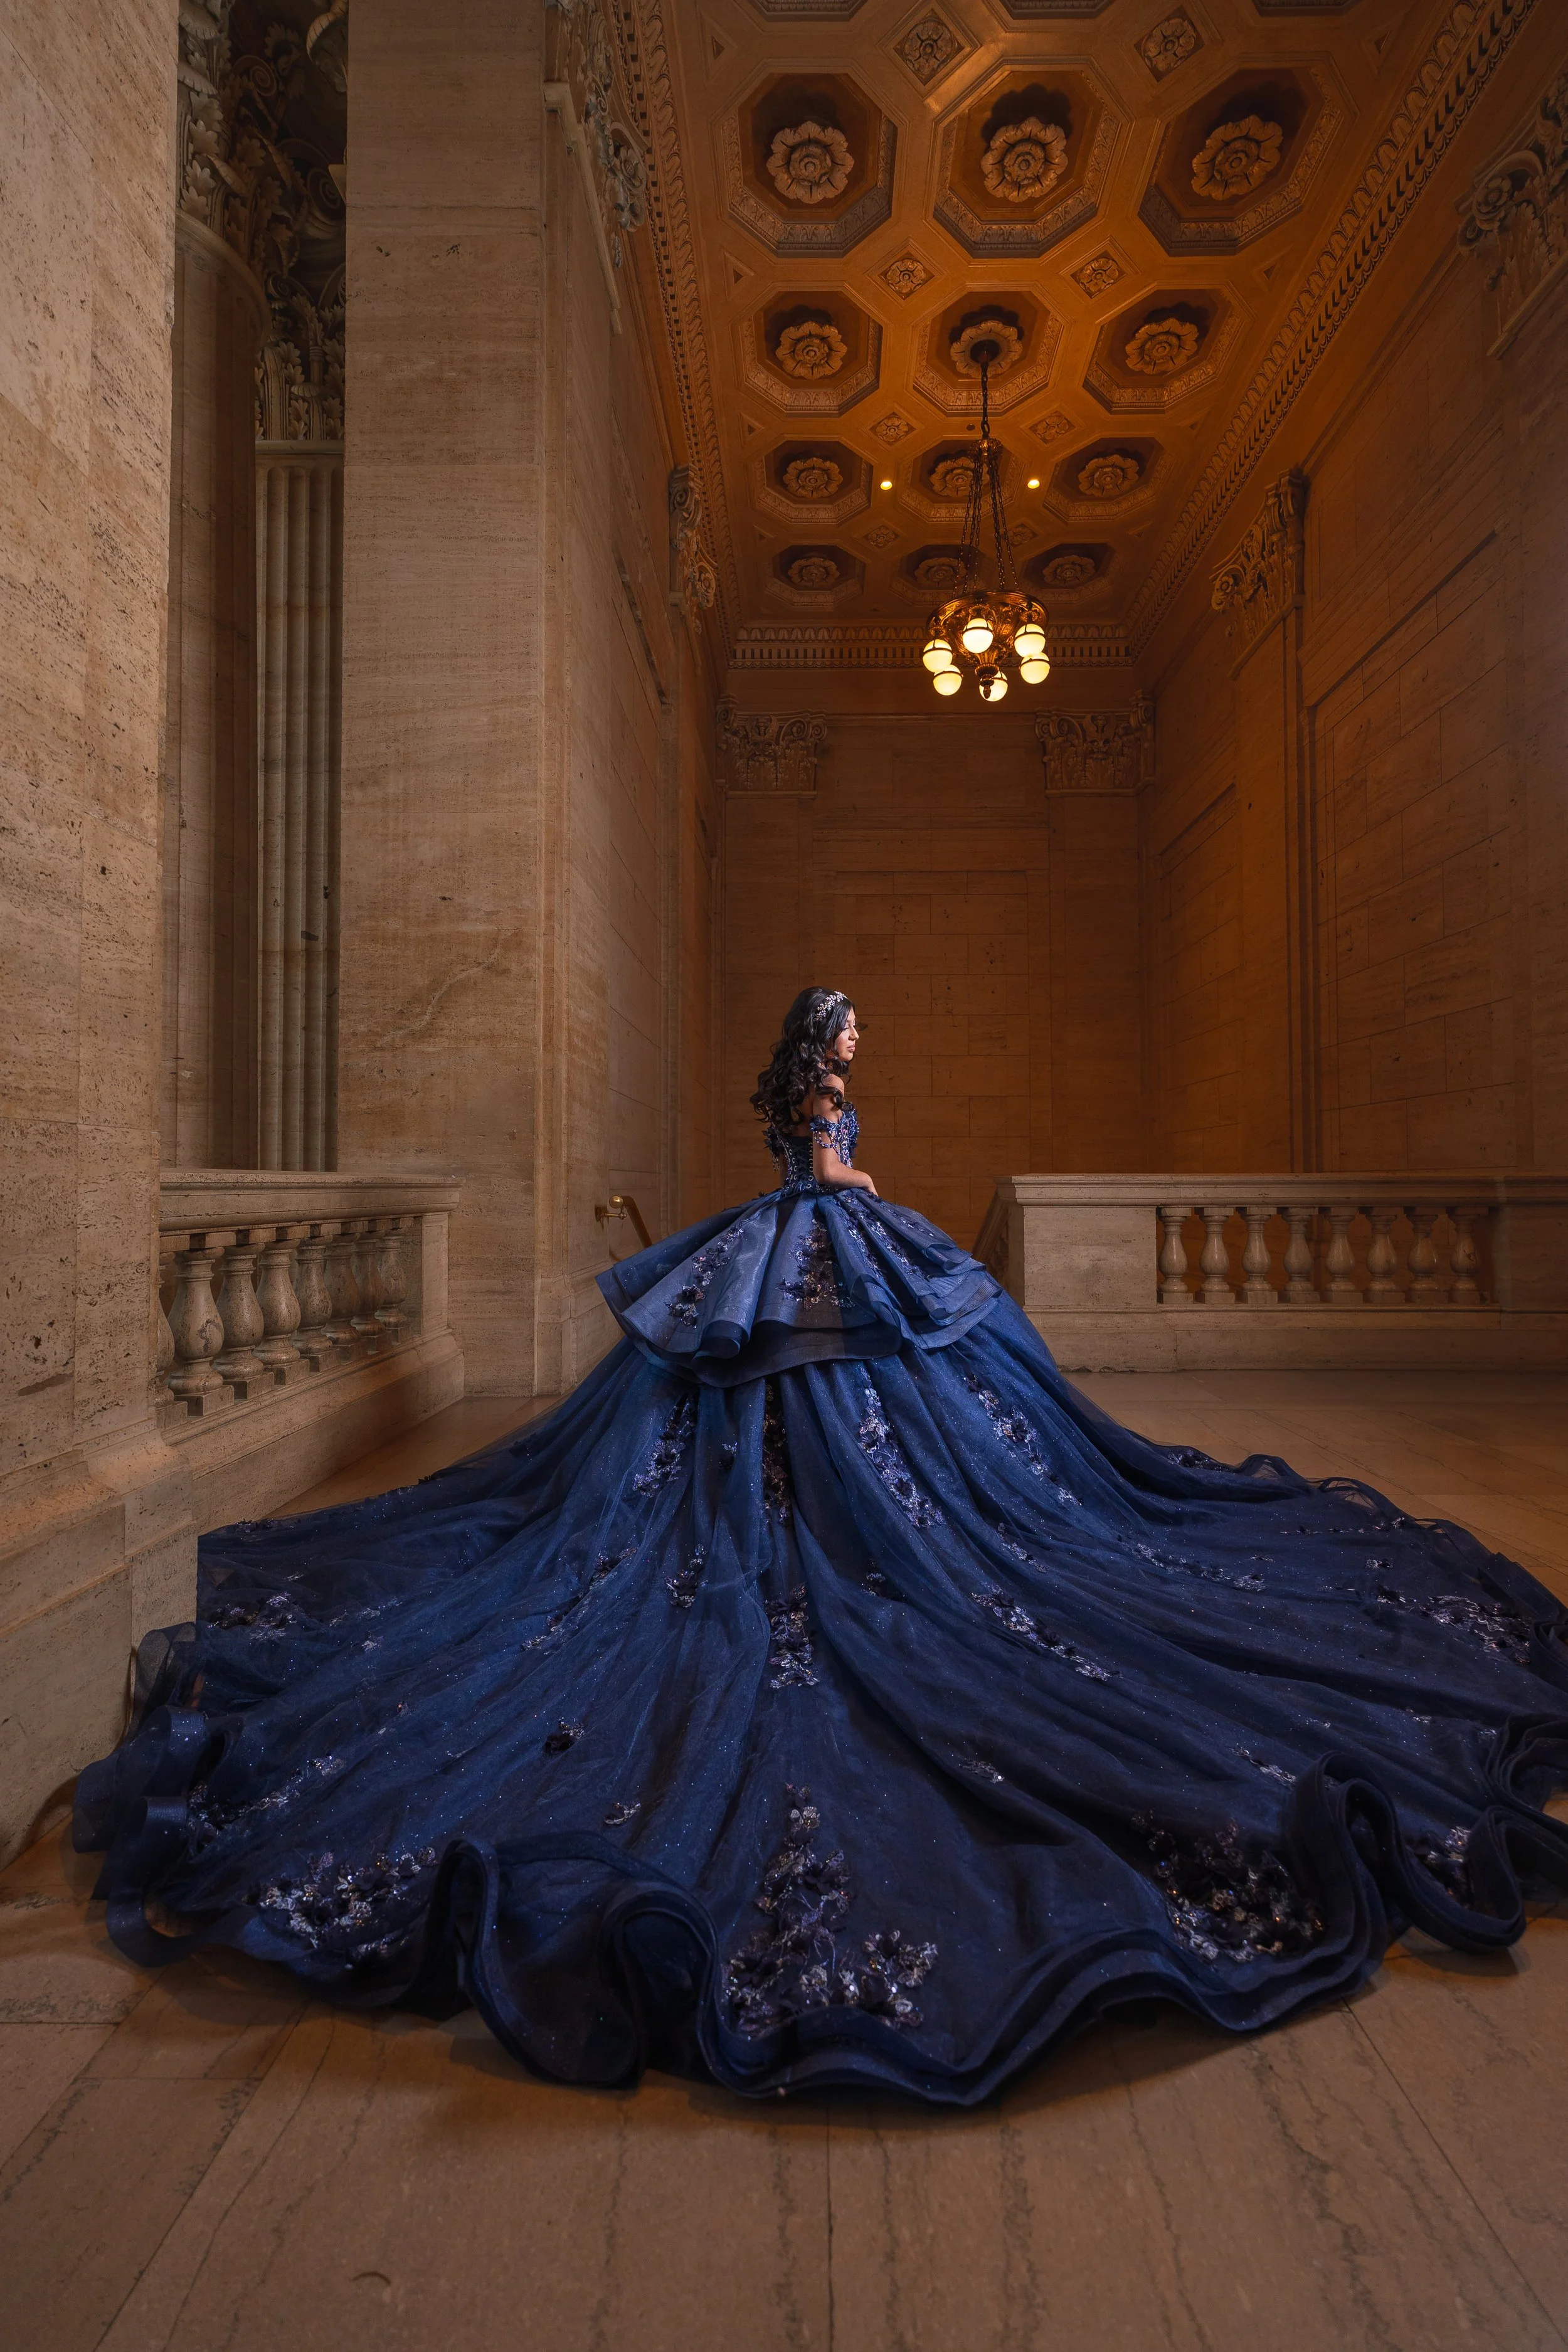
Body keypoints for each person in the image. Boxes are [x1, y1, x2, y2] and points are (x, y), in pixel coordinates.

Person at [75, 987, 1568, 2104]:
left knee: (890, 1405)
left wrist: (859, 1196)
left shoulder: (811, 1094)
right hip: (812, 1242)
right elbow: (823, 1176)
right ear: (818, 1050)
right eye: (845, 1034)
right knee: (839, 1414)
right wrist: (858, 1190)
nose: (853, 1051)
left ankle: (830, 1510)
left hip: (802, 1251)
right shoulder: (816, 1117)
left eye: (850, 1040)